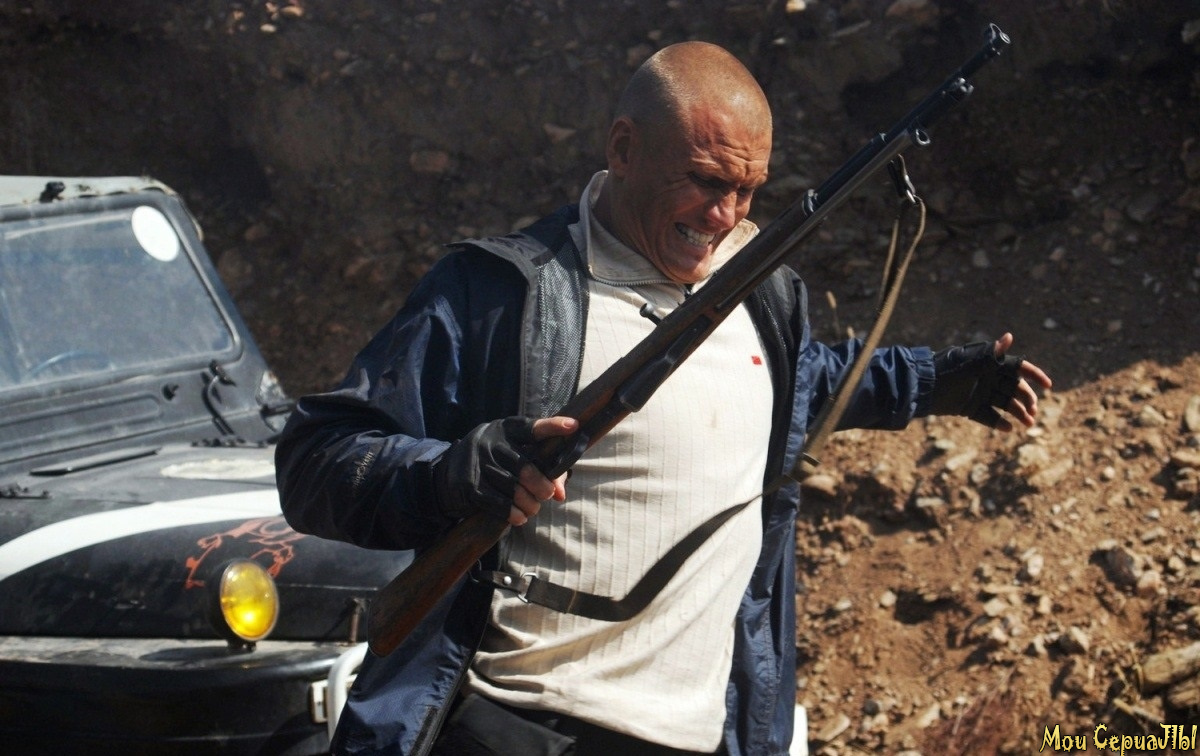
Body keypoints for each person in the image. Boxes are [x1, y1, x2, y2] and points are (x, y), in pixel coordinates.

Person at [275, 41, 1051, 756]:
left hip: (697, 737)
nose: (725, 217)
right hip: (517, 721)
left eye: (746, 191)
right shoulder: (501, 293)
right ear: (623, 149)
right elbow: (316, 459)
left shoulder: (763, 299)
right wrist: (449, 475)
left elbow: (808, 385)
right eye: (707, 181)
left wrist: (939, 381)